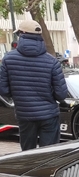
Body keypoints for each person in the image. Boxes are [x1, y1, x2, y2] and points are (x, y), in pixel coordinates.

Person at [0, 20, 67, 151]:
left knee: (28, 155)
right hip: (49, 115)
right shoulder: (52, 61)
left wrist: (18, 94)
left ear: (22, 34)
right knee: (48, 154)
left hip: (25, 115)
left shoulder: (8, 60)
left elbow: (3, 90)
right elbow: (61, 94)